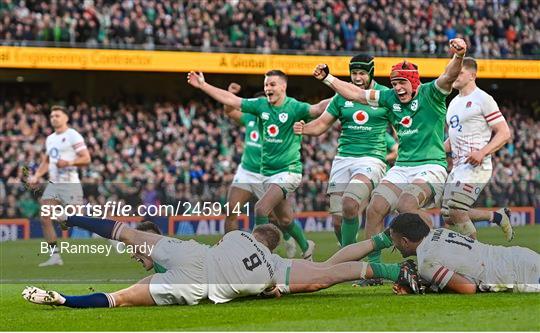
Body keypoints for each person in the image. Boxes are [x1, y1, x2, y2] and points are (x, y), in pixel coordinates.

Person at [22, 215, 415, 308]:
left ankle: (71, 222)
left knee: (123, 263)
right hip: (208, 281)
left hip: (198, 270)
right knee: (326, 274)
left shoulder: (233, 236)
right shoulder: (263, 257)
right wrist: (268, 290)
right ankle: (389, 262)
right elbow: (304, 283)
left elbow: (131, 236)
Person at [313, 38, 467, 267]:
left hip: (431, 165)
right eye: (394, 83)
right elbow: (355, 94)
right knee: (375, 208)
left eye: (402, 83)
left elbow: (448, 75)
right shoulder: (389, 98)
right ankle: (374, 267)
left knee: (406, 205)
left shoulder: (431, 93)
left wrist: (459, 56)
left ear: (414, 83)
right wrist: (328, 78)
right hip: (403, 166)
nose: (398, 88)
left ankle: (441, 250)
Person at [187, 69, 329, 260]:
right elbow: (231, 103)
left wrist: (347, 93)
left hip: (288, 171)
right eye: (266, 85)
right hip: (260, 172)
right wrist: (203, 85)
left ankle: (258, 257)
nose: (268, 88)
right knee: (284, 219)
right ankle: (306, 247)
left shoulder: (294, 107)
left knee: (261, 209)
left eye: (272, 85)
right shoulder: (259, 108)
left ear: (283, 86)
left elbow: (319, 108)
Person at [294, 54, 392, 248]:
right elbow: (321, 124)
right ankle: (349, 251)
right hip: (343, 159)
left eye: (362, 73)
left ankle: (350, 262)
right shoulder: (341, 97)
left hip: (371, 159)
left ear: (371, 73)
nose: (357, 78)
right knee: (337, 221)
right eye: (354, 73)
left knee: (350, 203)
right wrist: (303, 129)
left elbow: (400, 127)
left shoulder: (384, 95)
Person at [222, 83, 297, 258]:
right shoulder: (249, 118)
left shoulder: (278, 124)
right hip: (246, 172)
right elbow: (229, 111)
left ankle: (285, 237)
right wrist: (230, 94)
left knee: (276, 218)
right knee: (231, 210)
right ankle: (228, 254)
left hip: (268, 173)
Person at [443, 57, 513, 240]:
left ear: (472, 75)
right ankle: (497, 216)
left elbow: (504, 132)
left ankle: (474, 257)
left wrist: (482, 152)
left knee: (457, 208)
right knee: (448, 215)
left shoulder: (483, 99)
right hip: (458, 168)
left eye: (460, 72)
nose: (455, 75)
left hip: (477, 166)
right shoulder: (453, 103)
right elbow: (451, 141)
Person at [388, 213, 540, 294]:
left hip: (518, 276)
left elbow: (468, 288)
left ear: (404, 241)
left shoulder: (426, 263)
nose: (394, 246)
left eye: (395, 241)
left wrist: (424, 287)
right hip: (518, 255)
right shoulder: (439, 232)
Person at [27, 105, 91, 267]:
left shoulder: (73, 135)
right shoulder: (50, 138)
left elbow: (86, 158)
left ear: (66, 118)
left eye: (57, 115)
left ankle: (112, 235)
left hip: (70, 184)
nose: (54, 118)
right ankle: (55, 256)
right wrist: (37, 175)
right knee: (45, 217)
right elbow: (47, 161)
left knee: (79, 220)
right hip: (54, 184)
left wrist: (69, 162)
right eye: (52, 116)